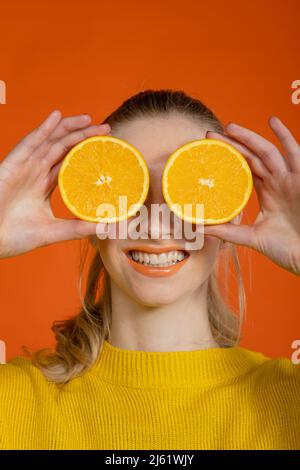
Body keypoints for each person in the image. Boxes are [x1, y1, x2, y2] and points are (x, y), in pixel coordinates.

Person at [0, 89, 299, 450]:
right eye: (128, 194)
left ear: (231, 215)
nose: (155, 228)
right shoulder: (11, 401)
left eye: (188, 195)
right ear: (93, 214)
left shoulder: (289, 400)